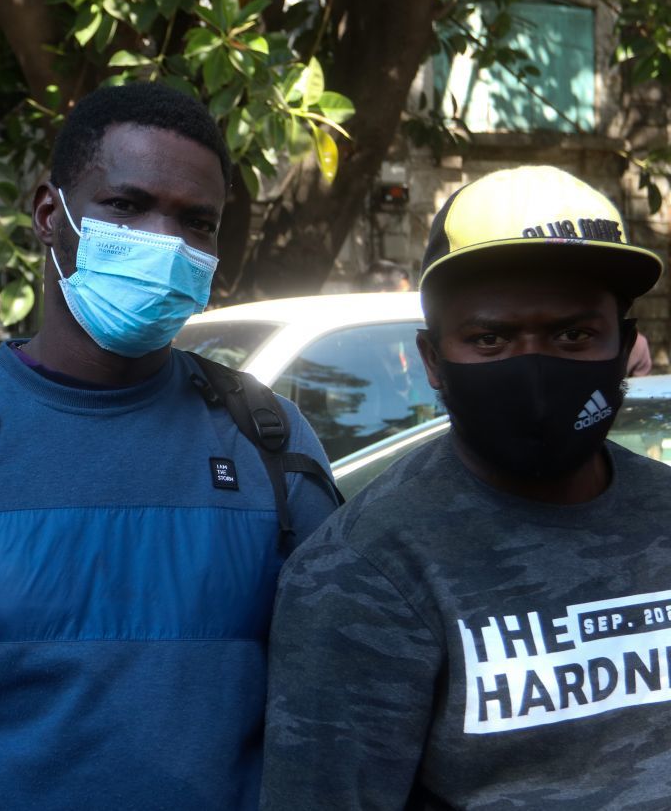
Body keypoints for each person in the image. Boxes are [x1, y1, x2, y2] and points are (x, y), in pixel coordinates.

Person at [0, 82, 339, 810]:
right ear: (47, 213)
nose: (164, 242)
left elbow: (333, 696)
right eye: (127, 206)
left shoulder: (271, 440)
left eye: (197, 221)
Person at [261, 166, 671, 809]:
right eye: (489, 339)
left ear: (627, 345)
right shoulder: (364, 569)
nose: (535, 371)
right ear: (432, 360)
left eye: (574, 334)